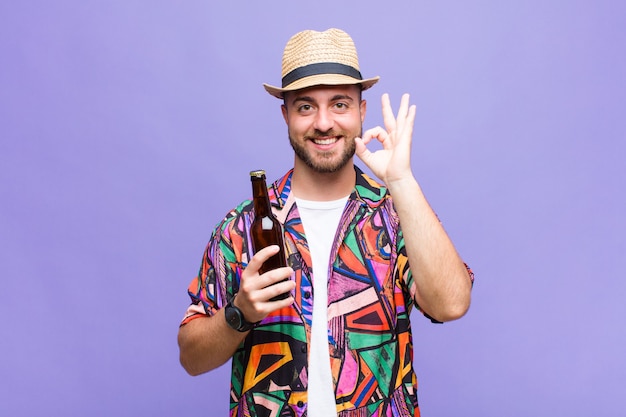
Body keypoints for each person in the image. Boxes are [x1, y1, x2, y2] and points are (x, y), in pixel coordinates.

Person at [178, 28, 474, 417]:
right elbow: (191, 358)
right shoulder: (242, 228)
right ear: (285, 115)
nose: (323, 123)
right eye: (305, 107)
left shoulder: (395, 214)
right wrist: (239, 313)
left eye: (339, 104)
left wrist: (401, 183)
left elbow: (451, 304)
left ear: (361, 112)